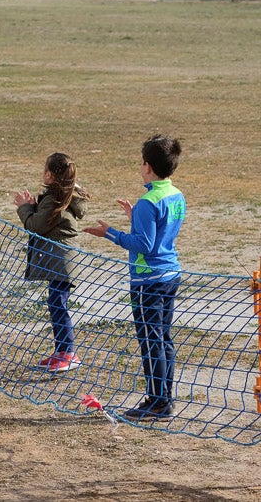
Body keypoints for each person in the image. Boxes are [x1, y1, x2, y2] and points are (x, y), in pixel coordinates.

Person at [83, 135, 185, 422]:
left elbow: (145, 245)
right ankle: (164, 398)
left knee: (151, 341)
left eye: (142, 162)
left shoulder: (147, 201)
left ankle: (158, 403)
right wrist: (135, 219)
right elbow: (161, 231)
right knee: (163, 339)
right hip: (170, 274)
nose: (140, 166)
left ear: (149, 167)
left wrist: (111, 233)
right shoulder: (176, 194)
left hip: (148, 281)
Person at [13, 153, 90, 373]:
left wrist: (24, 207)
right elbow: (46, 220)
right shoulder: (59, 197)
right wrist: (35, 205)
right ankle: (61, 351)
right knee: (56, 302)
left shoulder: (55, 198)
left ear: (49, 174)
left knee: (58, 304)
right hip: (61, 263)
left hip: (62, 264)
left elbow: (35, 226)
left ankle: (68, 353)